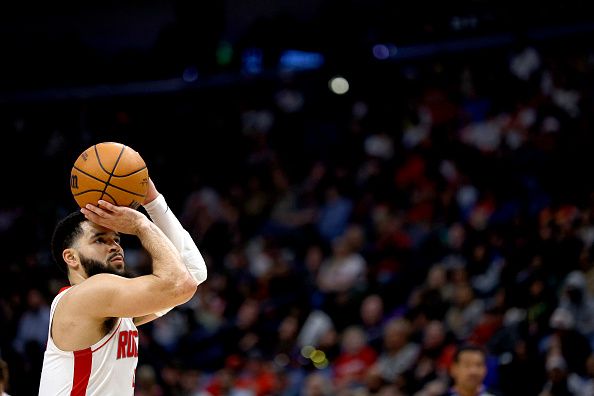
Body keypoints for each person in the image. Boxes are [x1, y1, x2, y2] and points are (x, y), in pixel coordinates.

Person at [38, 178, 208, 395]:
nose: (115, 246)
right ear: (71, 257)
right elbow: (181, 284)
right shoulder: (90, 293)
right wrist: (141, 224)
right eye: (100, 240)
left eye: (117, 239)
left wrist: (153, 201)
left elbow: (192, 273)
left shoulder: (111, 308)